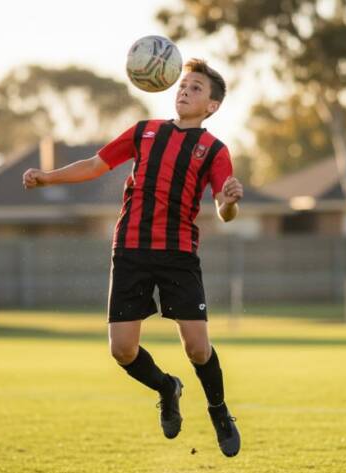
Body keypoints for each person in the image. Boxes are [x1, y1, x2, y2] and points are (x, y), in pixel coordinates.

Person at [22, 58, 243, 457]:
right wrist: (47, 177)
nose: (184, 91)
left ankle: (219, 411)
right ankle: (166, 387)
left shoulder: (214, 150)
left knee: (197, 348)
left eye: (196, 88)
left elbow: (224, 209)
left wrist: (228, 203)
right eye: (183, 85)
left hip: (177, 255)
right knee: (122, 350)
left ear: (212, 106)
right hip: (130, 250)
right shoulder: (145, 132)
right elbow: (94, 165)